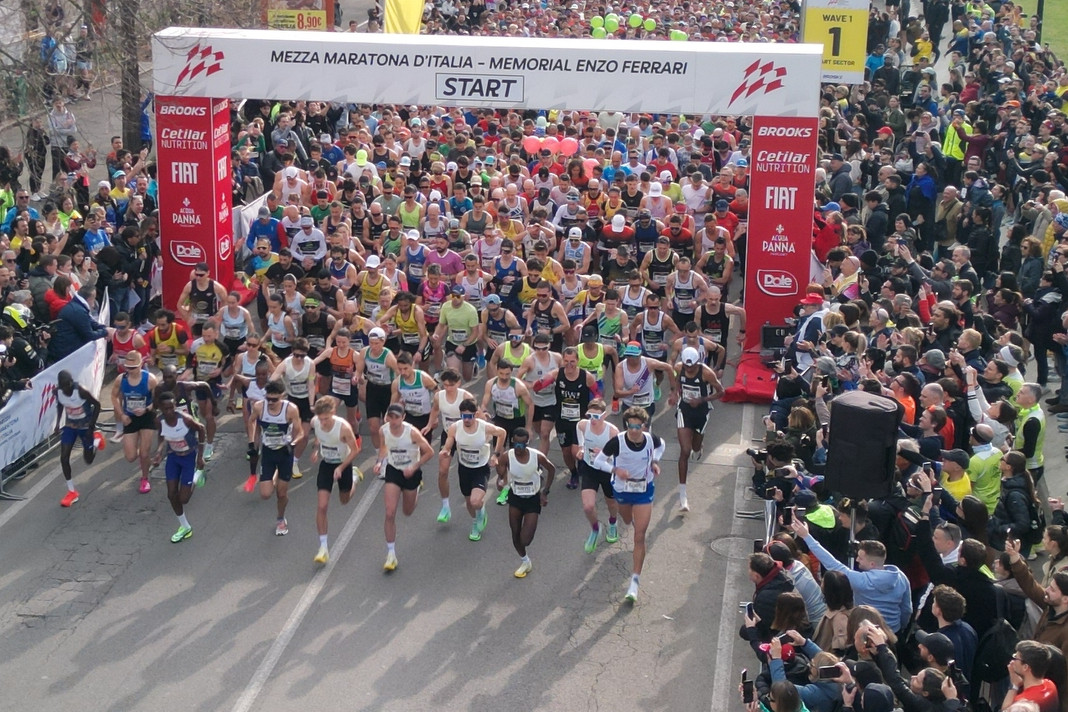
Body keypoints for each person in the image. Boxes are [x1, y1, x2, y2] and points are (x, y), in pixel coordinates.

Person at [790, 518, 912, 634]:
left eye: (860, 557)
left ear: (872, 563)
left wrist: (806, 537)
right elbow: (907, 609)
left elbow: (831, 563)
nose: (857, 560)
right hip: (894, 632)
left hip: (867, 633)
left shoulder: (862, 582)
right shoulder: (901, 577)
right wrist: (900, 628)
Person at [594, 406, 666, 603]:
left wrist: (655, 462)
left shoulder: (651, 439)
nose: (634, 430)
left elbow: (662, 446)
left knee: (639, 535)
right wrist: (615, 469)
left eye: (638, 426)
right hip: (623, 490)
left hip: (644, 490)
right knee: (627, 520)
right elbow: (599, 461)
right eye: (630, 426)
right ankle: (630, 520)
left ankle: (634, 582)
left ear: (644, 426)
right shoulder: (617, 442)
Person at [374, 404, 434, 571]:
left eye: (396, 417)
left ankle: (416, 491)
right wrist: (380, 462)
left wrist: (414, 467)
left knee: (407, 511)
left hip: (411, 472)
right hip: (394, 470)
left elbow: (429, 452)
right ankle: (391, 554)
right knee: (390, 511)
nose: (392, 421)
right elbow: (384, 447)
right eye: (390, 417)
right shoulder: (383, 430)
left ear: (403, 417)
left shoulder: (412, 432)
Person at [439, 398, 507, 541]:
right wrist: (445, 450)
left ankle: (481, 511)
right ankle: (475, 523)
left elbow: (502, 433)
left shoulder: (484, 427)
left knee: (476, 501)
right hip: (464, 468)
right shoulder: (455, 427)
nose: (467, 420)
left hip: (480, 468)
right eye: (464, 416)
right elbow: (450, 440)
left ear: (475, 415)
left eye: (470, 416)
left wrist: (496, 454)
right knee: (469, 502)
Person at [496, 426, 556, 578]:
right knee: (515, 534)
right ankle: (525, 561)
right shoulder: (506, 456)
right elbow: (501, 475)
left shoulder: (537, 456)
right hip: (515, 497)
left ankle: (525, 557)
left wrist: (545, 492)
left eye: (521, 444)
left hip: (532, 499)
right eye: (515, 444)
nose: (518, 447)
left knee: (525, 540)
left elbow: (552, 469)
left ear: (527, 443)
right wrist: (500, 481)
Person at [247, 380, 305, 536]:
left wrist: (292, 443)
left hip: (284, 452)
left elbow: (300, 433)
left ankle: (281, 519)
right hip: (268, 451)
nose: (271, 403)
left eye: (275, 399)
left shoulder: (290, 409)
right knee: (265, 494)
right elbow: (252, 421)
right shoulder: (259, 407)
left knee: (281, 494)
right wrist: (253, 443)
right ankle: (274, 475)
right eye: (268, 399)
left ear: (283, 397)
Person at [308, 395, 362, 564]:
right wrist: (316, 449)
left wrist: (341, 467)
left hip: (343, 464)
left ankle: (354, 477)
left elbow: (355, 450)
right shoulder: (315, 422)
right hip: (326, 464)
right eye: (320, 419)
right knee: (322, 506)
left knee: (344, 499)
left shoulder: (343, 428)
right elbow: (318, 435)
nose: (323, 422)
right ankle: (323, 547)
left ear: (333, 412)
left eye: (326, 419)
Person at [152, 392, 206, 543]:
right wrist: (158, 451)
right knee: (171, 495)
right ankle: (185, 527)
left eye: (171, 408)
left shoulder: (185, 420)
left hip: (189, 457)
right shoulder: (159, 421)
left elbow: (201, 429)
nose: (169, 412)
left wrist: (200, 456)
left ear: (175, 406)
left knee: (184, 498)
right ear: (161, 409)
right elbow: (161, 435)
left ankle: (197, 475)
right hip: (173, 457)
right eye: (165, 409)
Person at [674, 346, 724, 511]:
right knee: (685, 451)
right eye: (687, 367)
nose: (689, 369)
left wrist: (702, 399)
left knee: (695, 447)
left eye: (692, 367)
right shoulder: (679, 367)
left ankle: (699, 446)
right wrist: (675, 393)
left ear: (698, 362)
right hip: (685, 410)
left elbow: (720, 392)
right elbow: (676, 382)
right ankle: (683, 495)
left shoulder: (706, 373)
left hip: (702, 411)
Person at [110, 351, 158, 494]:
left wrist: (147, 408)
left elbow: (158, 400)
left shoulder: (150, 379)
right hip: (129, 418)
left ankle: (144, 478)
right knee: (131, 457)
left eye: (133, 367)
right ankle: (141, 452)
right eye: (127, 368)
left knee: (144, 453)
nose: (129, 371)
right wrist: (121, 414)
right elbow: (113, 397)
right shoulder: (121, 379)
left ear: (141, 365)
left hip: (146, 418)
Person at [576, 398, 620, 553]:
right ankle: (595, 529)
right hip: (590, 468)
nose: (593, 420)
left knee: (612, 503)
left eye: (596, 417)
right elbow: (578, 428)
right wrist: (581, 448)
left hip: (607, 470)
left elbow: (620, 456)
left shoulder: (612, 432)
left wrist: (605, 455)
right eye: (590, 416)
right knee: (588, 507)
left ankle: (613, 523)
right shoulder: (583, 425)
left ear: (604, 415)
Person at [54, 370, 101, 508]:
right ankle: (71, 491)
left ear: (71, 383)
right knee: (63, 458)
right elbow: (60, 405)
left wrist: (91, 428)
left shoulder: (81, 391)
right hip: (70, 426)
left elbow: (97, 405)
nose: (65, 389)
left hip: (85, 426)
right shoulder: (58, 392)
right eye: (62, 387)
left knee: (88, 460)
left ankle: (97, 441)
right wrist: (58, 423)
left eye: (67, 386)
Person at [271, 338, 317, 479]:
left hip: (306, 400)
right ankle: (284, 459)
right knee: (294, 433)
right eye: (296, 355)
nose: (299, 358)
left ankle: (294, 462)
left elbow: (311, 385)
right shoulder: (286, 364)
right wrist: (276, 392)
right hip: (292, 400)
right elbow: (274, 378)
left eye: (302, 356)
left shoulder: (310, 364)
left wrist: (311, 404)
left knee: (304, 435)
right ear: (292, 353)